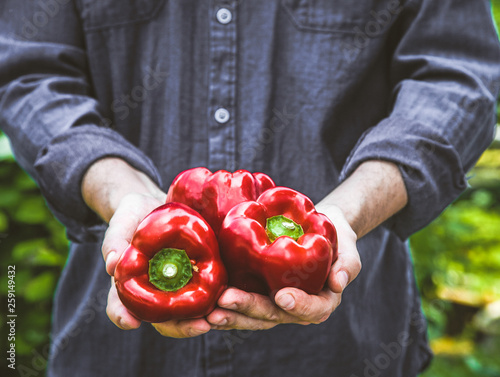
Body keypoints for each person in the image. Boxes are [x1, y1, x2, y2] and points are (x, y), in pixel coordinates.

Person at [1, 0, 499, 376]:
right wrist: (119, 188)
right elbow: (30, 72)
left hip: (350, 343)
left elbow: (457, 77)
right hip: (117, 353)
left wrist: (346, 213)